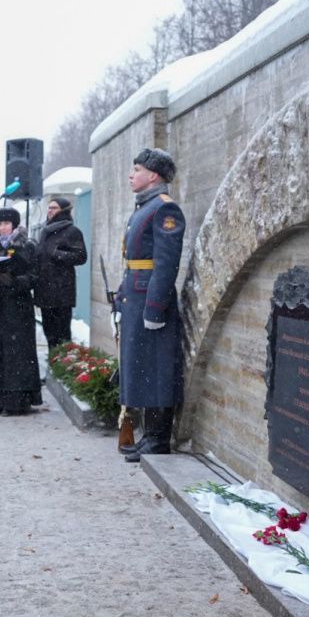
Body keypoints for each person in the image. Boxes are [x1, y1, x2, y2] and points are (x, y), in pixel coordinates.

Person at [118, 148, 185, 462]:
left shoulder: (164, 209)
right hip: (136, 297)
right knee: (140, 367)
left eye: (136, 169)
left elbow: (166, 264)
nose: (131, 175)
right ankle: (148, 435)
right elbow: (133, 261)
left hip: (150, 302)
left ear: (153, 175)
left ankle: (158, 438)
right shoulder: (143, 208)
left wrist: (155, 308)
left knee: (156, 368)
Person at [0, 208, 42, 416]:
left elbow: (35, 276)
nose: (3, 227)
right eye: (0, 224)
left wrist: (14, 282)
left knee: (17, 354)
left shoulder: (27, 245)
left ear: (15, 225)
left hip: (19, 307)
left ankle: (17, 400)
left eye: (7, 223)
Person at [35, 197, 88, 349]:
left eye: (54, 208)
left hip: (62, 292)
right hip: (44, 290)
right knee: (49, 333)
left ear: (63, 211)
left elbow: (81, 257)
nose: (50, 210)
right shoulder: (45, 231)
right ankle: (54, 364)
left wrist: (58, 254)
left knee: (63, 336)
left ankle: (63, 368)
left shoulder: (72, 231)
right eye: (49, 207)